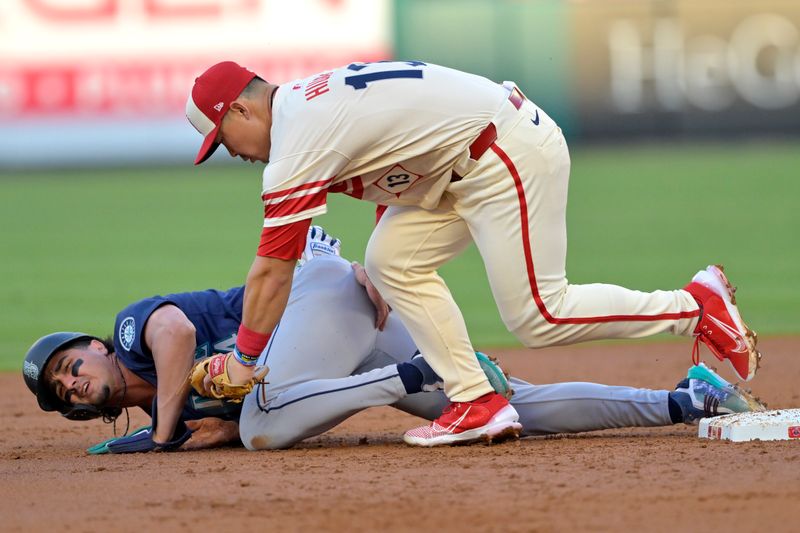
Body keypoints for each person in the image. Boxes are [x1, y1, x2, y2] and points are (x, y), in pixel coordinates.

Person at [184, 60, 762, 446]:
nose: (230, 153)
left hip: (501, 153)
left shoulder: (295, 140)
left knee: (540, 314)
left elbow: (273, 268)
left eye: (222, 139)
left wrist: (244, 361)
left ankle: (694, 306)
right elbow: (399, 148)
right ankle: (477, 402)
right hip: (461, 165)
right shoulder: (309, 105)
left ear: (240, 111)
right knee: (390, 262)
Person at [22, 232, 764, 451]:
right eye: (63, 390)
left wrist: (162, 432)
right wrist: (182, 429)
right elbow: (198, 420)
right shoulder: (167, 410)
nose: (74, 380)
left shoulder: (132, 334)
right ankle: (681, 397)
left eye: (69, 363)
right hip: (340, 335)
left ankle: (412, 367)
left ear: (92, 345)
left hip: (328, 296)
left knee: (263, 425)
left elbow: (176, 331)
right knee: (512, 407)